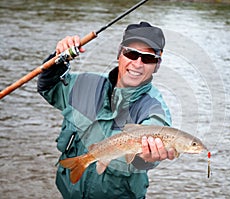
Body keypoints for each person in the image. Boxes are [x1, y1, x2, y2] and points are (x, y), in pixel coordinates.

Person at [38, 21, 176, 199]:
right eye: (131, 53)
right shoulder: (84, 85)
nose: (138, 64)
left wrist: (147, 157)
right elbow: (48, 88)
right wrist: (57, 60)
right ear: (120, 54)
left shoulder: (155, 109)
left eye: (148, 58)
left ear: (157, 64)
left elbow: (153, 137)